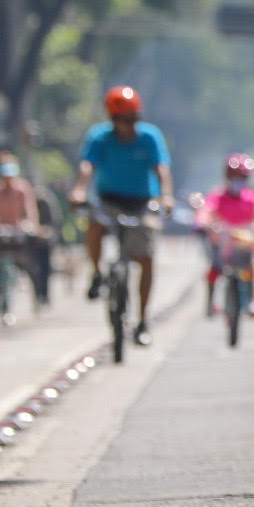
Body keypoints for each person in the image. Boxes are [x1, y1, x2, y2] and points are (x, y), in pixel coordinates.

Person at [68, 86, 174, 347]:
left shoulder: (150, 137)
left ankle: (142, 319)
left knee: (146, 258)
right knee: (93, 224)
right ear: (111, 119)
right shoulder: (99, 137)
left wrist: (166, 196)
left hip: (142, 202)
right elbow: (87, 166)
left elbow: (162, 169)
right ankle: (96, 272)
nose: (126, 126)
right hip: (109, 200)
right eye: (119, 120)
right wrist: (79, 190)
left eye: (131, 120)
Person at [197, 154, 254, 319]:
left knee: (249, 268)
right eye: (234, 177)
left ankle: (251, 301)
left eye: (242, 177)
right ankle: (210, 303)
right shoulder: (217, 196)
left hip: (243, 243)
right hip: (222, 242)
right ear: (227, 177)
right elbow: (205, 211)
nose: (238, 181)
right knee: (214, 269)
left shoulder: (252, 197)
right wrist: (202, 223)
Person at [0, 151, 43, 317]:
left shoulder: (22, 188)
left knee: (30, 266)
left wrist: (32, 226)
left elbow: (30, 210)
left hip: (18, 231)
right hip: (2, 231)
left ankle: (39, 299)